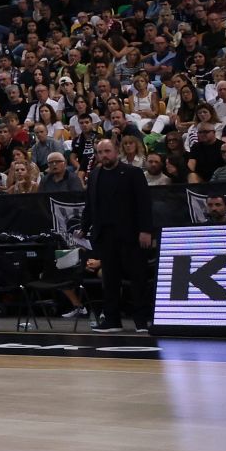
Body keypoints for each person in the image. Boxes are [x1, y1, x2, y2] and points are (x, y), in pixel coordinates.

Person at [82, 137, 154, 332]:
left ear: (116, 152)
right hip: (105, 236)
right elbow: (90, 204)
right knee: (110, 280)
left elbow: (144, 203)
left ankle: (141, 321)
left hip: (131, 235)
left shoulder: (133, 173)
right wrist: (83, 226)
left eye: (107, 151)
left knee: (138, 279)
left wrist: (146, 230)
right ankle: (112, 320)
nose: (104, 156)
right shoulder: (95, 174)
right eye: (100, 152)